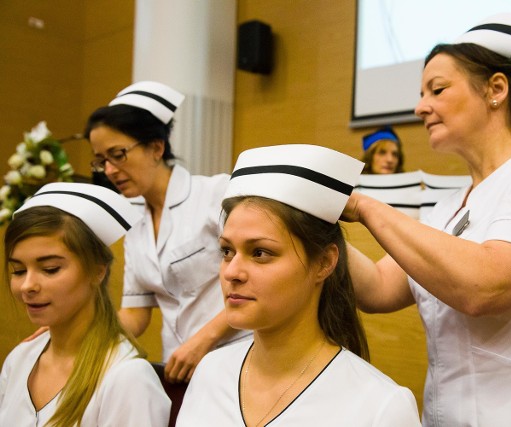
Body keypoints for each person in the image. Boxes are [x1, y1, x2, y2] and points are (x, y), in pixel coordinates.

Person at [341, 13, 511, 427]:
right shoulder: (445, 209)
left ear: (495, 89)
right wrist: (315, 215)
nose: (420, 107)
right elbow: (379, 289)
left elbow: (486, 286)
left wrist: (366, 208)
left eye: (437, 89)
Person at [176, 144, 421, 427]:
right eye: (227, 251)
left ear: (324, 263)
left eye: (260, 253)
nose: (232, 272)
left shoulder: (380, 407)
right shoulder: (210, 372)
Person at [84, 80, 250, 383]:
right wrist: (81, 333)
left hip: (238, 357)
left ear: (156, 148)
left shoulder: (216, 194)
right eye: (101, 160)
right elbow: (136, 313)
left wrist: (203, 341)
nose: (109, 170)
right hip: (178, 368)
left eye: (117, 155)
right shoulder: (133, 218)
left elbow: (255, 288)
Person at [0, 182, 170, 427]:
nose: (27, 285)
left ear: (97, 271)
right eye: (18, 270)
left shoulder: (127, 377)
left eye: (50, 269)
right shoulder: (20, 359)